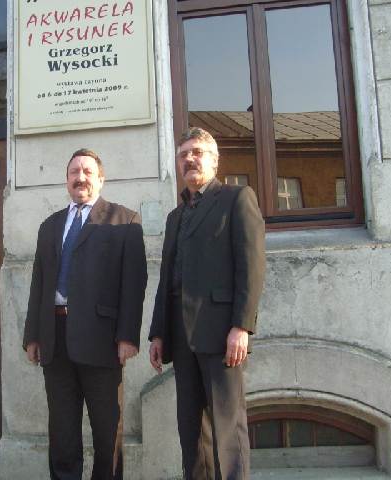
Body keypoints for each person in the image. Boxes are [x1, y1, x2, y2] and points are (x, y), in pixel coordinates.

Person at [148, 127, 265, 480]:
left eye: (197, 152)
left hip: (220, 332)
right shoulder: (175, 216)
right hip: (181, 336)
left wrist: (241, 326)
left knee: (228, 429)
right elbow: (167, 278)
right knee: (192, 430)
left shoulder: (236, 198)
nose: (189, 159)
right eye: (183, 154)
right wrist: (158, 333)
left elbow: (251, 266)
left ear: (214, 160)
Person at [23, 148, 147, 480]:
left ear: (101, 179)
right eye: (74, 172)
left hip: (102, 341)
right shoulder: (50, 226)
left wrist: (127, 336)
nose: (81, 178)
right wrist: (33, 335)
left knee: (107, 431)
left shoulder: (124, 220)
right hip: (55, 338)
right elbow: (39, 283)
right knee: (62, 431)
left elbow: (133, 284)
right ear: (66, 180)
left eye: (88, 172)